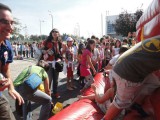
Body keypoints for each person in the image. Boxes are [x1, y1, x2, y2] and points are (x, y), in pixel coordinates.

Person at [104, 36, 160, 119]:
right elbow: (100, 98)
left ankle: (135, 104)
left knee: (154, 83)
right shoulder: (111, 91)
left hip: (124, 65)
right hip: (127, 73)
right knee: (121, 102)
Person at [0, 3, 24, 120]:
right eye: (4, 22)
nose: (10, 27)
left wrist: (11, 87)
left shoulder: (7, 45)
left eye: (12, 23)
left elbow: (5, 68)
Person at [42, 28, 62, 98]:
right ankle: (47, 93)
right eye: (53, 32)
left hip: (56, 62)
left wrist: (60, 58)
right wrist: (47, 51)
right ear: (51, 33)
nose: (54, 33)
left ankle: (55, 92)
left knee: (56, 79)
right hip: (48, 62)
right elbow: (41, 51)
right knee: (49, 79)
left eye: (56, 32)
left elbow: (60, 52)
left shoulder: (59, 42)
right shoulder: (46, 41)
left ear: (58, 34)